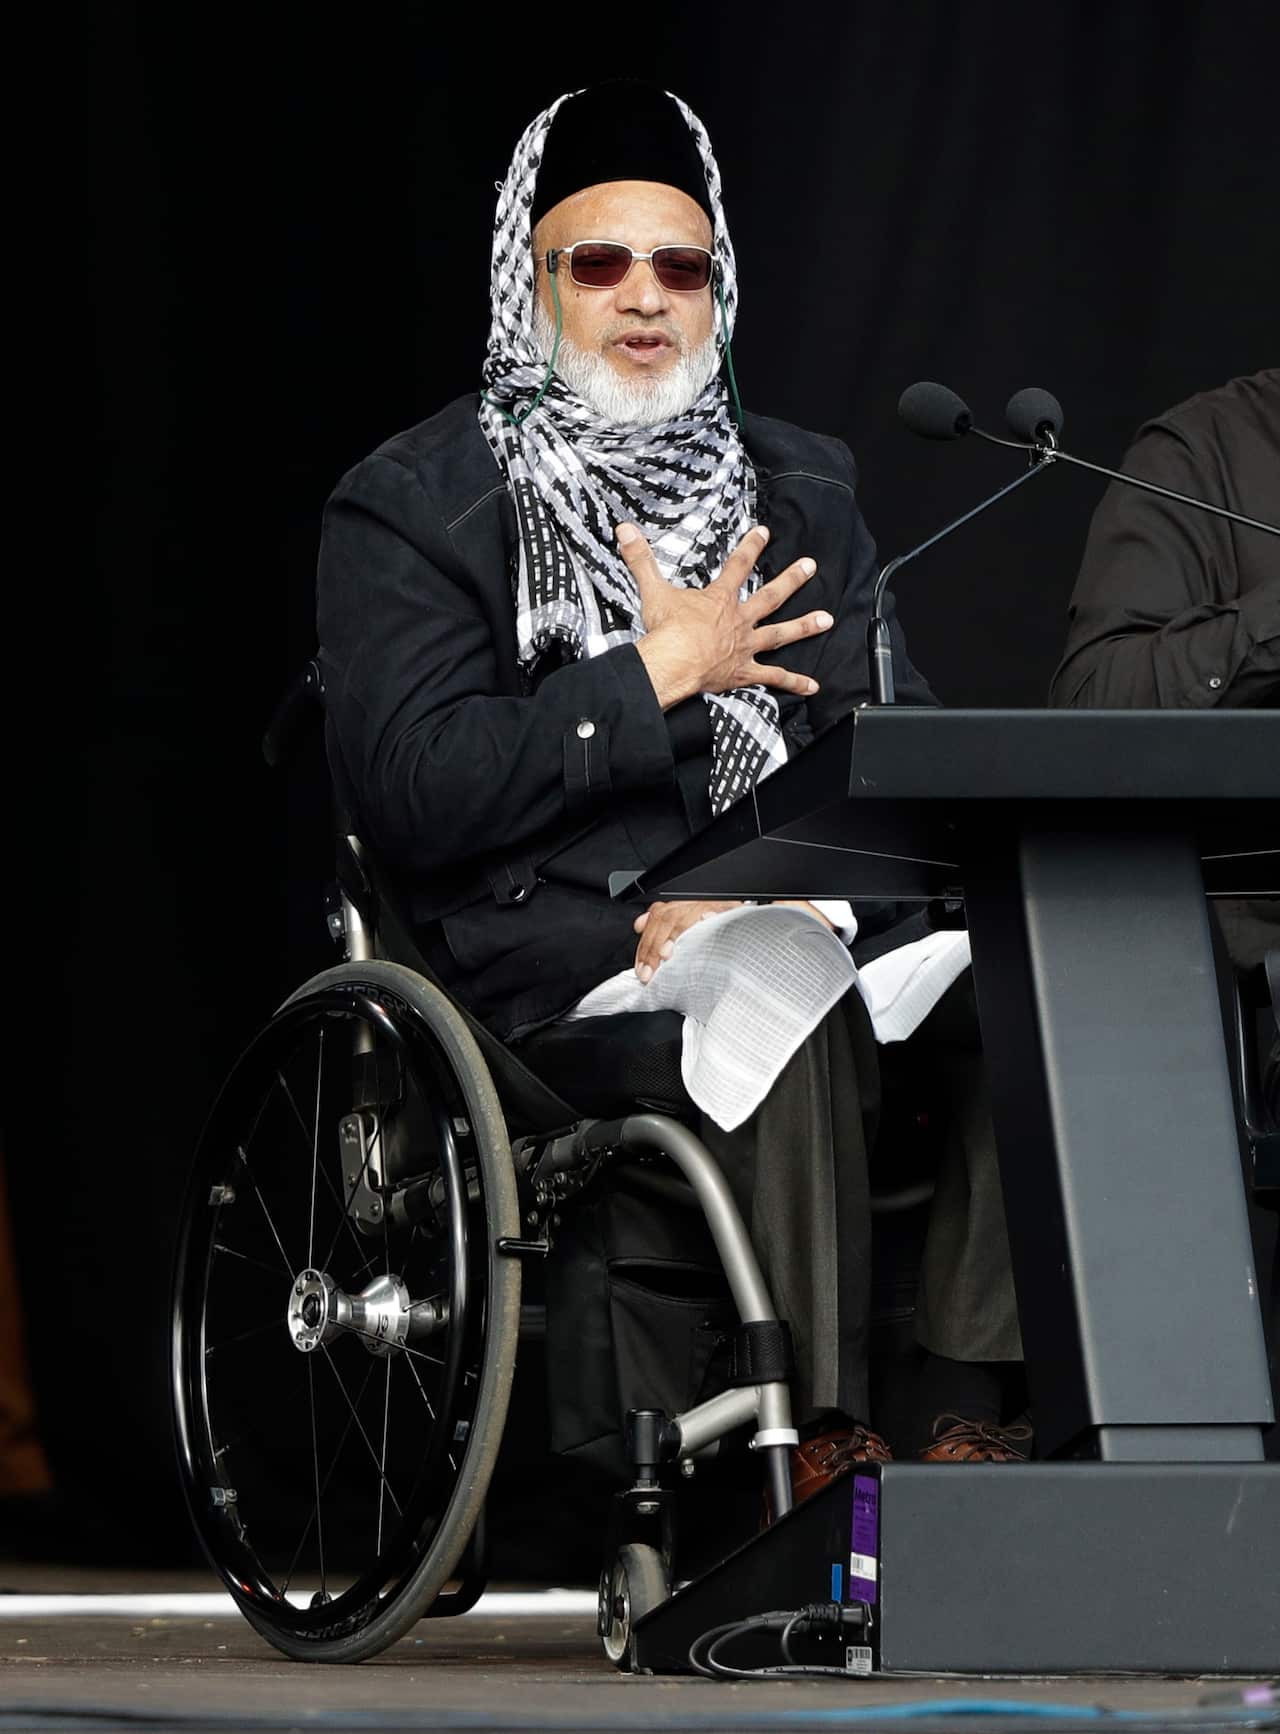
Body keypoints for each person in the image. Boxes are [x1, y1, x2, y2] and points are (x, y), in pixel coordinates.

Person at [316, 81, 1026, 1494]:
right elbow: (414, 789)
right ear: (535, 285)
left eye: (680, 267)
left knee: (1031, 973)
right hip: (555, 977)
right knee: (777, 966)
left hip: (805, 918)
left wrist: (793, 873)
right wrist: (653, 675)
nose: (645, 298)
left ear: (720, 291)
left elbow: (900, 755)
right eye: (600, 263)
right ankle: (815, 1439)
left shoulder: (801, 489)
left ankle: (964, 1417)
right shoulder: (418, 502)